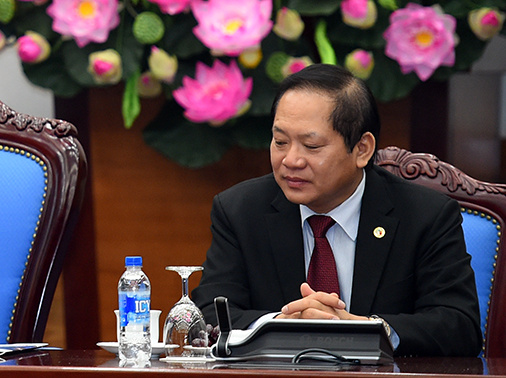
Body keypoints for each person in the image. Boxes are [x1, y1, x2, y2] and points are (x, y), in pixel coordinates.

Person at [191, 64, 481, 356]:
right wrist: (280, 324)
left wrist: (367, 329)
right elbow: (208, 314)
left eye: (311, 145)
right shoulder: (241, 211)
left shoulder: (425, 215)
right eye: (280, 142)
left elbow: (459, 326)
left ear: (362, 149)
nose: (290, 160)